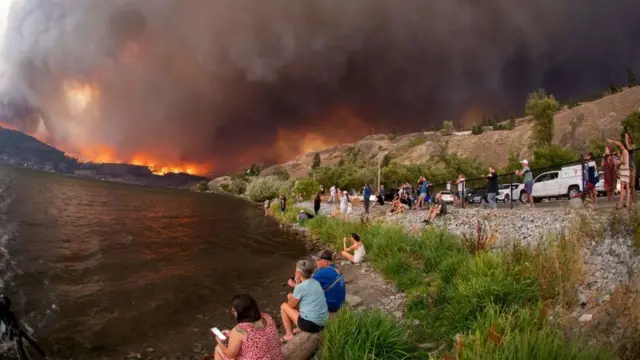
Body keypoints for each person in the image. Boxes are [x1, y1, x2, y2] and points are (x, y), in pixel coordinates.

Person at [214, 294, 283, 360]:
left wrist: (219, 341)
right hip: (277, 357)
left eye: (233, 311)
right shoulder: (267, 317)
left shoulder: (240, 329)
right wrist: (232, 334)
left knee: (218, 349)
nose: (233, 314)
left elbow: (230, 354)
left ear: (240, 312)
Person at [280, 260, 328, 342]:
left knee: (284, 306)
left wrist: (291, 297)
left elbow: (291, 305)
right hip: (323, 321)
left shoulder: (300, 287)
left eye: (296, 271)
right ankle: (299, 328)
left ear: (298, 273)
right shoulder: (316, 282)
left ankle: (289, 335)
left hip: (312, 325)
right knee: (303, 303)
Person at [608, 138, 631, 209]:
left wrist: (618, 163)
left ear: (622, 145)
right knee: (626, 188)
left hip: (624, 171)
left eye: (620, 145)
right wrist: (612, 141)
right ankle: (627, 203)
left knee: (622, 187)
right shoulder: (625, 151)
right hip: (626, 171)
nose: (619, 146)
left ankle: (620, 204)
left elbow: (624, 161)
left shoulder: (624, 151)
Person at [625, 133, 636, 202]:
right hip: (627, 168)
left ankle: (634, 199)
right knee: (627, 185)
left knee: (632, 185)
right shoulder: (625, 147)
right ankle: (629, 200)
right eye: (627, 138)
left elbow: (629, 149)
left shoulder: (633, 146)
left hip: (632, 167)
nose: (628, 140)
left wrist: (626, 139)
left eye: (629, 138)